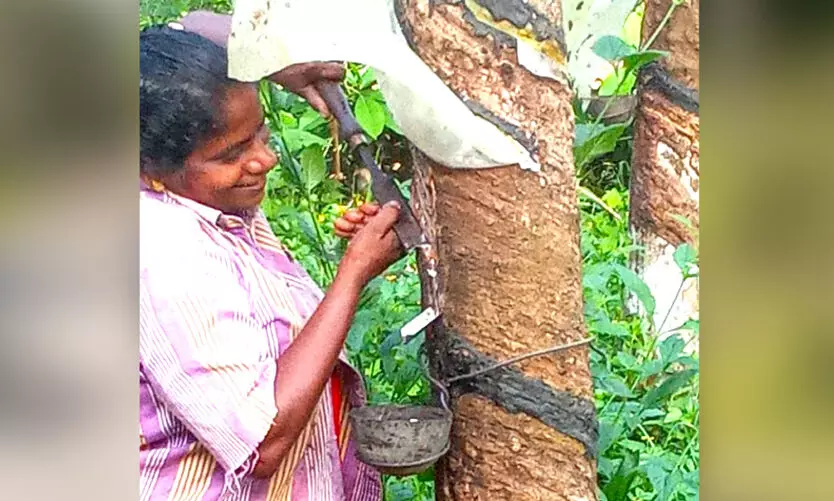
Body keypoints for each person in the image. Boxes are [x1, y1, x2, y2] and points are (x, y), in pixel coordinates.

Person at [139, 14, 403, 501]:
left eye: (260, 134)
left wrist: (275, 60)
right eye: (232, 153)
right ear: (152, 166)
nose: (265, 160)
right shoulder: (161, 254)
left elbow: (189, 24)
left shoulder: (212, 206)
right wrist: (352, 275)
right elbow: (262, 443)